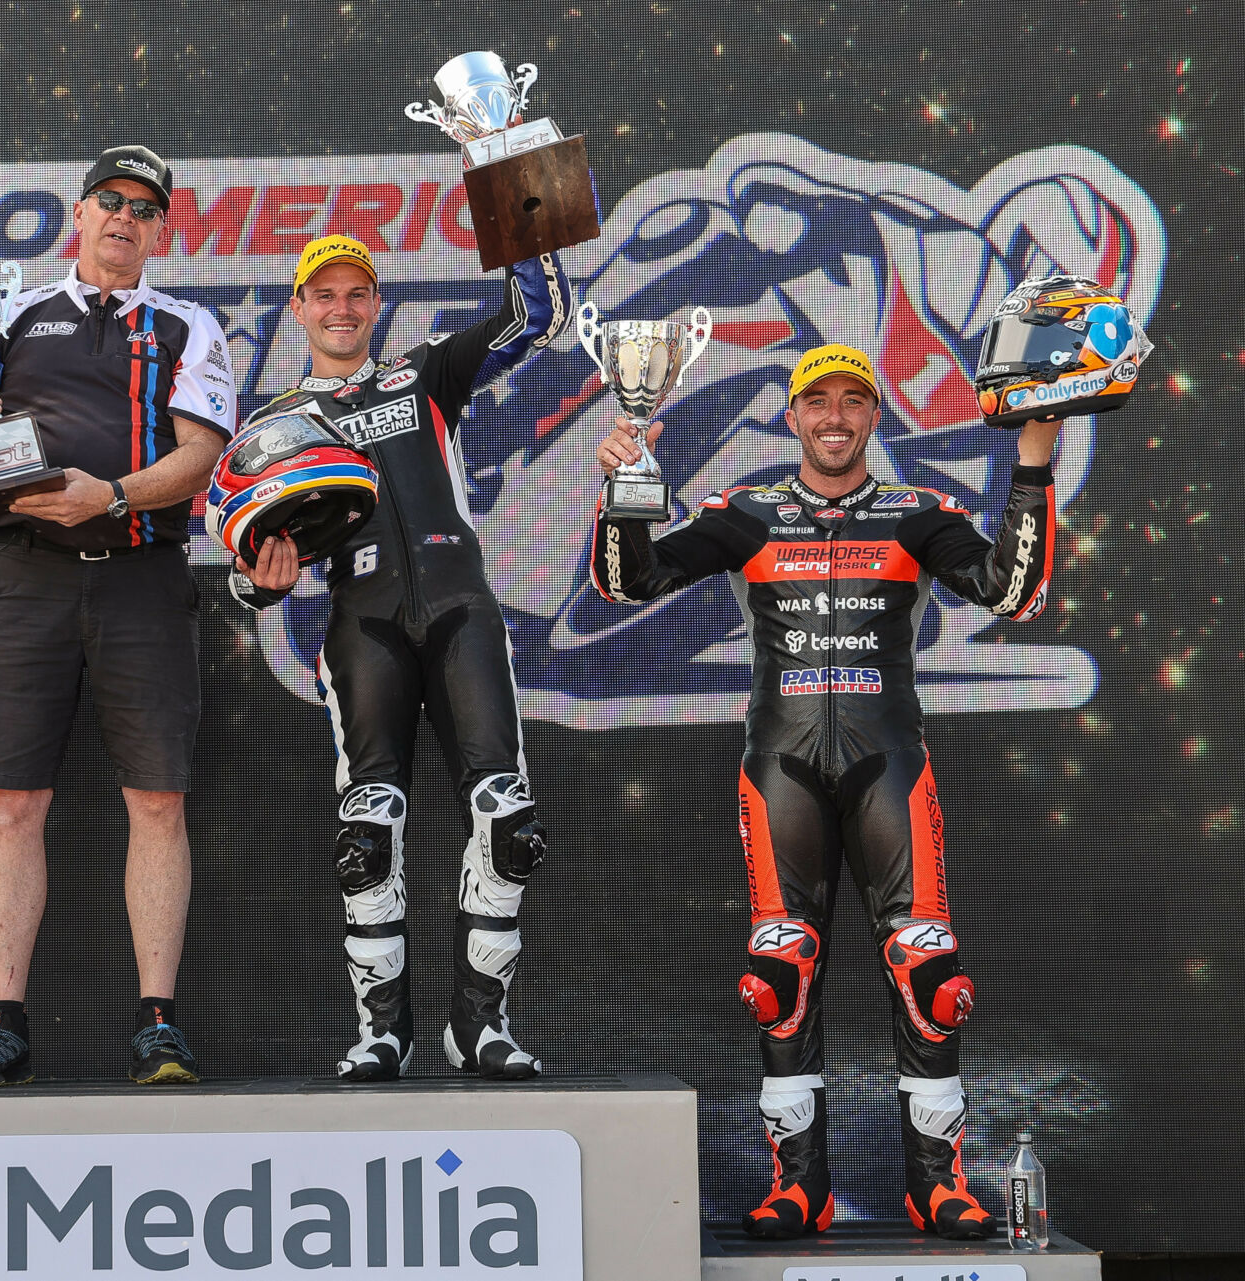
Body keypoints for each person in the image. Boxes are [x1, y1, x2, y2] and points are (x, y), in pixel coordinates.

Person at [589, 342, 1062, 1239]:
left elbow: (1015, 594)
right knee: (779, 975)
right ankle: (798, 1185)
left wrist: (1032, 455)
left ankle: (938, 1184)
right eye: (819, 402)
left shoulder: (917, 512)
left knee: (931, 971)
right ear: (793, 415)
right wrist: (621, 488)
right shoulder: (749, 511)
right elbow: (627, 581)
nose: (835, 417)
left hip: (890, 764)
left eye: (853, 401)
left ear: (875, 417)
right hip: (783, 771)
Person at [0, 144, 235, 1087]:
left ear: (160, 230)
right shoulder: (6, 315)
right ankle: (3, 1024)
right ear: (81, 211)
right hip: (25, 578)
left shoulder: (188, 325)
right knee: (15, 804)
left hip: (141, 570)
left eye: (145, 207)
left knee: (159, 800)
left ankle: (158, 1023)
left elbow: (202, 457)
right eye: (111, 200)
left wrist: (115, 495)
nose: (124, 218)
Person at [230, 233, 572, 1081]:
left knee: (508, 820)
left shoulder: (424, 372)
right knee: (367, 834)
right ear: (298, 306)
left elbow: (540, 315)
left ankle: (478, 1026)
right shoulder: (274, 423)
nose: (341, 308)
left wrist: (516, 193)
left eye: (357, 293)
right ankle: (383, 1031)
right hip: (364, 626)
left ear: (376, 303)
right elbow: (241, 553)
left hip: (463, 611)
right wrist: (258, 586)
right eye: (324, 294)